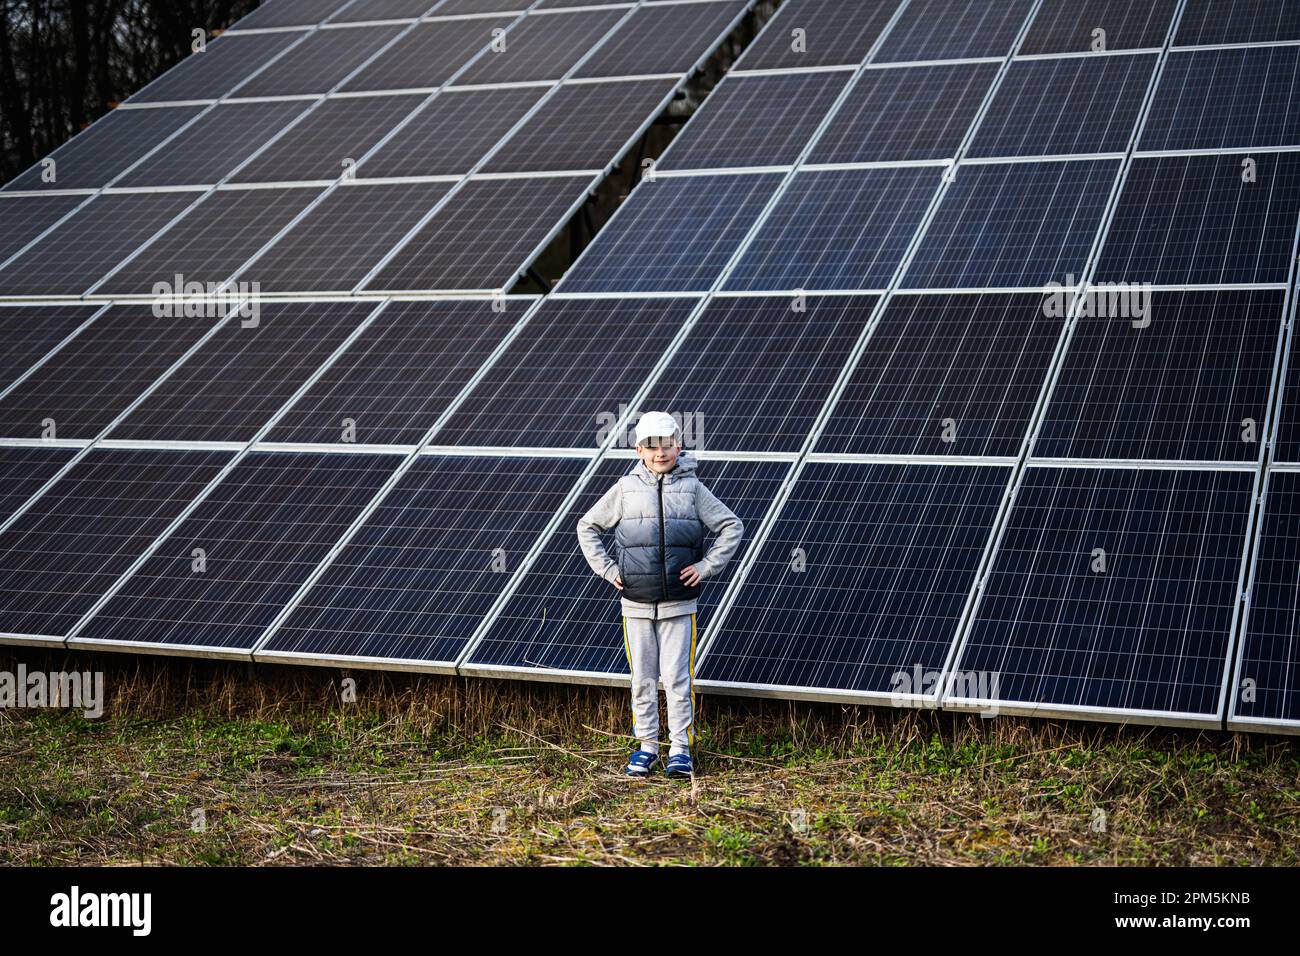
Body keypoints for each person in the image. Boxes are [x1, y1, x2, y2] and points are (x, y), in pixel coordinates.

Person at [576, 411, 743, 779]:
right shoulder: (624, 490)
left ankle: (681, 749)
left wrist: (705, 567)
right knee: (643, 679)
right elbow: (587, 526)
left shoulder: (693, 489)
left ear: (679, 446)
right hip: (635, 605)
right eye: (652, 446)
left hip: (679, 605)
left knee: (677, 678)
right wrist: (608, 570)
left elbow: (731, 526)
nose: (660, 453)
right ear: (639, 450)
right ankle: (647, 747)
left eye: (667, 445)